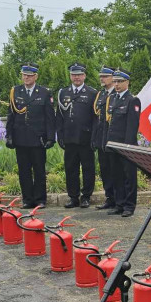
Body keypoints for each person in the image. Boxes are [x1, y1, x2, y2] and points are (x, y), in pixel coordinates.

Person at [6, 63, 55, 209]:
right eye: (24, 75)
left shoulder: (44, 92)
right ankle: (27, 199)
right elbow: (11, 116)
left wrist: (51, 137)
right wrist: (9, 136)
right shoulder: (15, 91)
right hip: (21, 138)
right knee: (24, 171)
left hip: (38, 138)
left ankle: (40, 199)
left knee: (39, 170)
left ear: (36, 76)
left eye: (29, 75)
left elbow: (49, 117)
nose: (26, 78)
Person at [56, 63, 98, 208]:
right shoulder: (63, 92)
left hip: (86, 138)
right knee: (70, 168)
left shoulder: (92, 93)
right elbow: (59, 116)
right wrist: (60, 135)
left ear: (84, 76)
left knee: (88, 168)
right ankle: (73, 197)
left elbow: (95, 118)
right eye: (74, 75)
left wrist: (94, 137)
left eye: (79, 74)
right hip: (69, 138)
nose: (77, 77)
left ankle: (86, 196)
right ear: (70, 76)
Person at [105, 69, 141, 217]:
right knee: (116, 176)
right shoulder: (113, 98)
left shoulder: (132, 100)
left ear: (127, 82)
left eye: (120, 81)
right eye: (115, 81)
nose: (117, 84)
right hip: (113, 145)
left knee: (128, 177)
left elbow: (132, 127)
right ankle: (119, 204)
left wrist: (127, 147)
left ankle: (129, 205)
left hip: (126, 146)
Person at [92, 67, 117, 210]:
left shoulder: (116, 94)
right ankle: (109, 198)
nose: (102, 79)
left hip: (112, 139)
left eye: (105, 76)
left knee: (115, 171)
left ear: (113, 78)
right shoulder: (100, 95)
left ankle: (117, 198)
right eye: (101, 76)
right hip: (101, 139)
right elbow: (97, 118)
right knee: (105, 170)